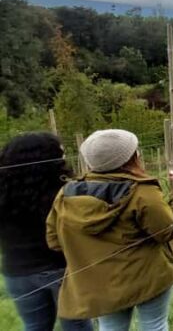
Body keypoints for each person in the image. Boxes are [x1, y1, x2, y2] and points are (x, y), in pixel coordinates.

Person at [47, 129, 173, 330]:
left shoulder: (66, 195)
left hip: (100, 284)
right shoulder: (141, 191)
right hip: (147, 277)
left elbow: (53, 240)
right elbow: (167, 230)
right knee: (154, 325)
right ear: (130, 158)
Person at [0, 133, 93, 331]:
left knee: (34, 327)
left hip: (17, 271)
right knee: (77, 327)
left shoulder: (5, 194)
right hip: (61, 268)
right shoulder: (64, 192)